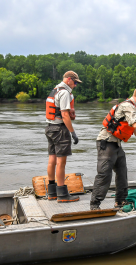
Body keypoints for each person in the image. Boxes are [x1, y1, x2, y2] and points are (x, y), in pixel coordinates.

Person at [90, 85, 136, 210]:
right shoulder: (128, 106)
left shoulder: (132, 108)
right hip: (106, 143)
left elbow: (134, 128)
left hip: (116, 144)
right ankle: (94, 205)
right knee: (104, 175)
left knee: (122, 173)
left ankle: (120, 201)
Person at [45, 71, 81, 203]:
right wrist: (72, 132)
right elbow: (65, 115)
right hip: (60, 129)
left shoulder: (54, 90)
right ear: (69, 80)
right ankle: (62, 194)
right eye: (75, 82)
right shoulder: (65, 92)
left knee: (52, 160)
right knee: (61, 162)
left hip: (50, 128)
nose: (75, 85)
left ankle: (52, 193)